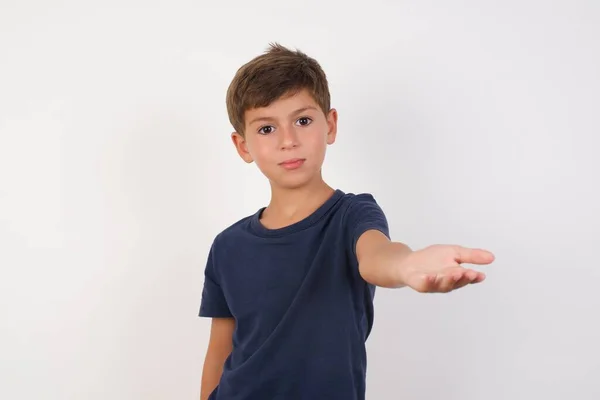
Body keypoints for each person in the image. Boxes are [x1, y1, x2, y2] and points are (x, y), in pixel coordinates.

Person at [198, 43, 495, 400]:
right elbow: (220, 350)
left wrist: (407, 265)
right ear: (242, 145)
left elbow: (377, 257)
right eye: (266, 129)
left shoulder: (353, 215)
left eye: (303, 121)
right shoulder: (227, 246)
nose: (288, 141)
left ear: (331, 125)